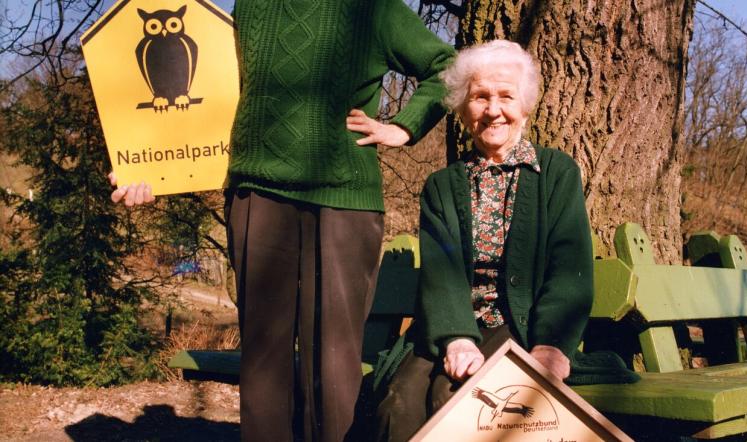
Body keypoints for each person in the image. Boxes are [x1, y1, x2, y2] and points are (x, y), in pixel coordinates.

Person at [111, 1, 455, 441]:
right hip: (256, 195)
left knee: (333, 361)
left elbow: (446, 66)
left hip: (343, 200)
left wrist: (404, 126)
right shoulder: (250, 7)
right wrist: (146, 164)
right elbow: (202, 99)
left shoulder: (374, 9)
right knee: (263, 359)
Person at [375, 40, 594, 441]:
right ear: (463, 108)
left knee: (457, 402)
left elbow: (570, 268)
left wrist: (552, 346)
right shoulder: (442, 186)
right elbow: (440, 274)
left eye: (506, 96)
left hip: (521, 328)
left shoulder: (558, 173)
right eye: (479, 97)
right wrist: (456, 338)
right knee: (398, 404)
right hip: (451, 325)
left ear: (525, 105)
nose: (493, 110)